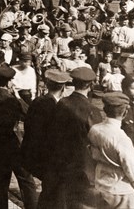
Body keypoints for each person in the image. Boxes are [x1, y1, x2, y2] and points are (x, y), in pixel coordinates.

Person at [0, 64, 37, 209]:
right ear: (9, 82)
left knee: (1, 186)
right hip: (12, 144)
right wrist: (17, 96)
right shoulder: (11, 100)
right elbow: (29, 113)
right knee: (26, 180)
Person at [45, 66, 103, 209]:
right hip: (83, 165)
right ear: (90, 85)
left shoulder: (61, 104)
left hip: (60, 162)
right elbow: (97, 139)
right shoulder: (92, 110)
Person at [88, 92, 134, 209]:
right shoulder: (121, 139)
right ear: (125, 113)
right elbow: (132, 169)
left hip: (101, 185)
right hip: (121, 191)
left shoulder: (95, 129)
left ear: (105, 109)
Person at [21, 69, 71, 183]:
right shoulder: (59, 107)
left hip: (34, 153)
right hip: (50, 156)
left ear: (47, 85)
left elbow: (28, 126)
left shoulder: (37, 102)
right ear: (63, 88)